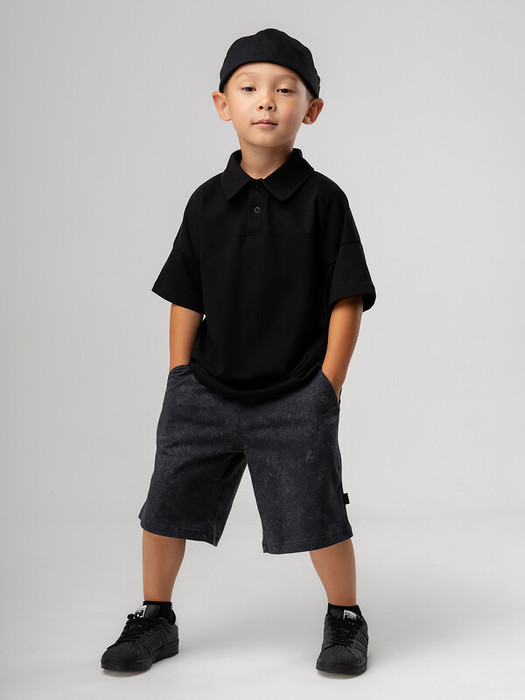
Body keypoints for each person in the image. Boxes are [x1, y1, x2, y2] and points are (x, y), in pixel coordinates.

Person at [101, 27, 376, 676]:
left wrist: (327, 385)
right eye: (249, 88)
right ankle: (155, 617)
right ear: (223, 105)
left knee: (318, 512)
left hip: (295, 392)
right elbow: (185, 295)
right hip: (206, 387)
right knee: (165, 506)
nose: (266, 100)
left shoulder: (324, 201)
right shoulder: (206, 201)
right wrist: (179, 374)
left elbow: (346, 298)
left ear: (311, 109)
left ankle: (345, 617)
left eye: (285, 90)